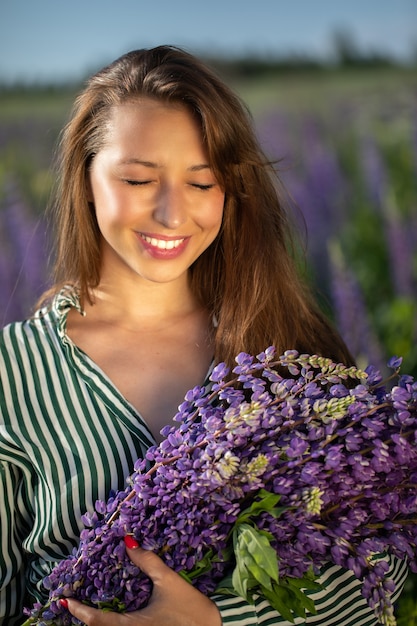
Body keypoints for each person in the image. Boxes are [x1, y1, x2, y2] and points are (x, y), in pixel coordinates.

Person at [0, 46, 408, 626]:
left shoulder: (283, 342)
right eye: (139, 178)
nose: (172, 214)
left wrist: (220, 621)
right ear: (85, 178)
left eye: (202, 183)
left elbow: (380, 560)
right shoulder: (14, 370)